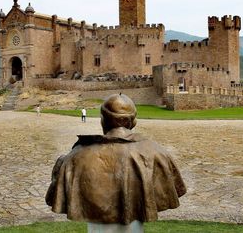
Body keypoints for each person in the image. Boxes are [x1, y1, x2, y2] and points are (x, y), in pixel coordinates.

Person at [46, 94, 186, 227]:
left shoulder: (73, 158)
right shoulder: (159, 154)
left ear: (103, 120)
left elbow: (52, 198)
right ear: (133, 121)